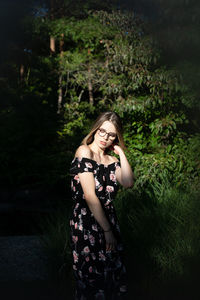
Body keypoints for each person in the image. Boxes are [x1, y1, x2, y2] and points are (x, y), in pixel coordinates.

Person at [69, 111, 134, 300]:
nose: (106, 138)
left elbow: (128, 182)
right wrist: (107, 231)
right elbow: (89, 195)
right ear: (96, 129)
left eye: (112, 135)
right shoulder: (84, 151)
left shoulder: (112, 161)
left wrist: (121, 152)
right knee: (91, 279)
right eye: (103, 132)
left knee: (112, 277)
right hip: (86, 224)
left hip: (110, 221)